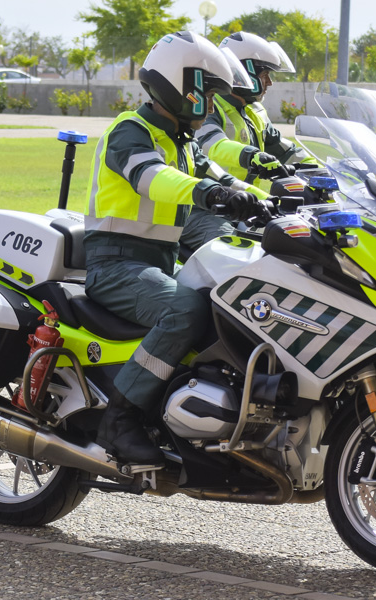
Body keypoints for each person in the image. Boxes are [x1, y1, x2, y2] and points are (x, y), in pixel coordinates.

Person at [85, 31, 267, 465]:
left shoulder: (182, 142)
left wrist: (275, 201)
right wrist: (209, 194)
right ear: (180, 84)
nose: (209, 101)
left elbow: (224, 177)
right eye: (206, 90)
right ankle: (120, 418)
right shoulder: (131, 131)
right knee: (184, 310)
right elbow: (152, 178)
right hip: (116, 265)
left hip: (158, 263)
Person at [182, 32, 316, 251]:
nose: (270, 82)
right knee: (233, 254)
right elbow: (211, 145)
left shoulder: (255, 112)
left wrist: (328, 170)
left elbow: (288, 152)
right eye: (265, 75)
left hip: (245, 205)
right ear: (242, 72)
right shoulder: (209, 106)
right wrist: (252, 155)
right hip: (205, 208)